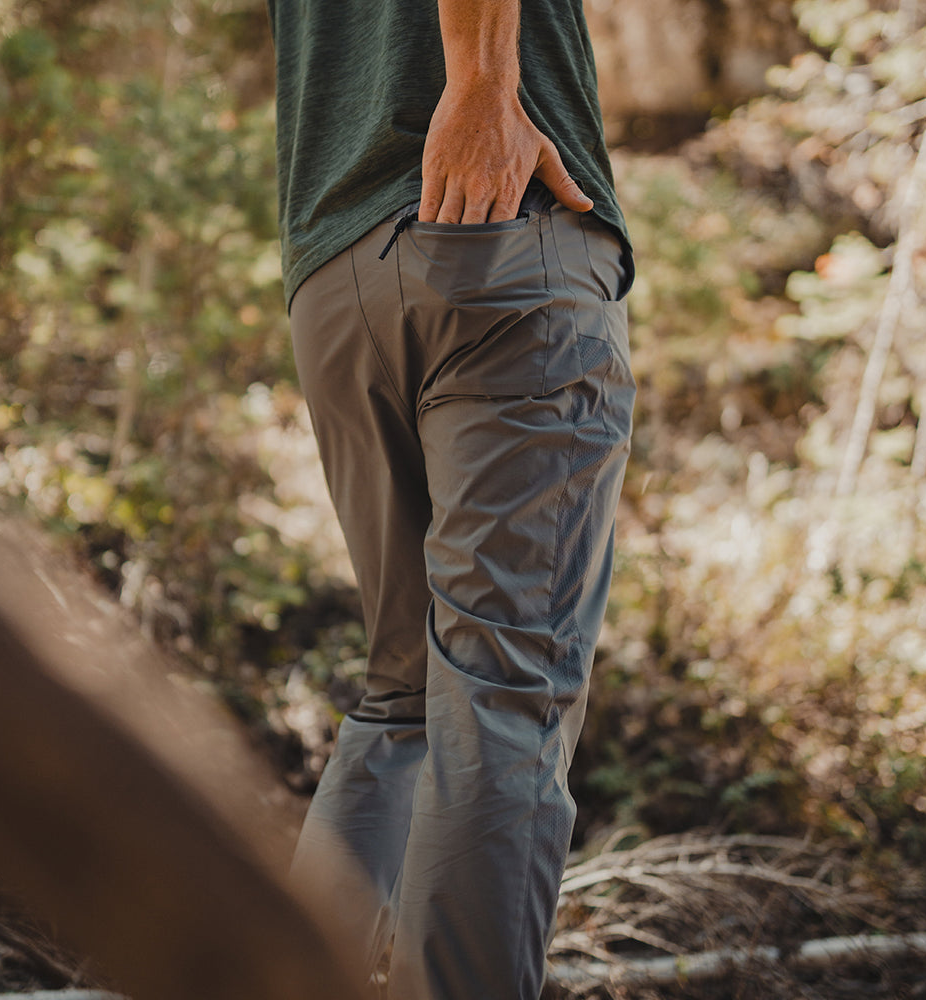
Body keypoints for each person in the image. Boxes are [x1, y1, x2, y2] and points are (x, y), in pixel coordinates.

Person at [266, 2, 636, 998]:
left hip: (334, 275)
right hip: (492, 237)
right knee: (499, 699)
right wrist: (480, 87)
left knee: (402, 699)